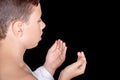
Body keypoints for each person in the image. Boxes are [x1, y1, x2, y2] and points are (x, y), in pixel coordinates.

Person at [0, 0, 87, 80]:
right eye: (38, 20)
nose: (43, 25)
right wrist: (64, 77)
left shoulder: (11, 64)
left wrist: (48, 68)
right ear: (19, 29)